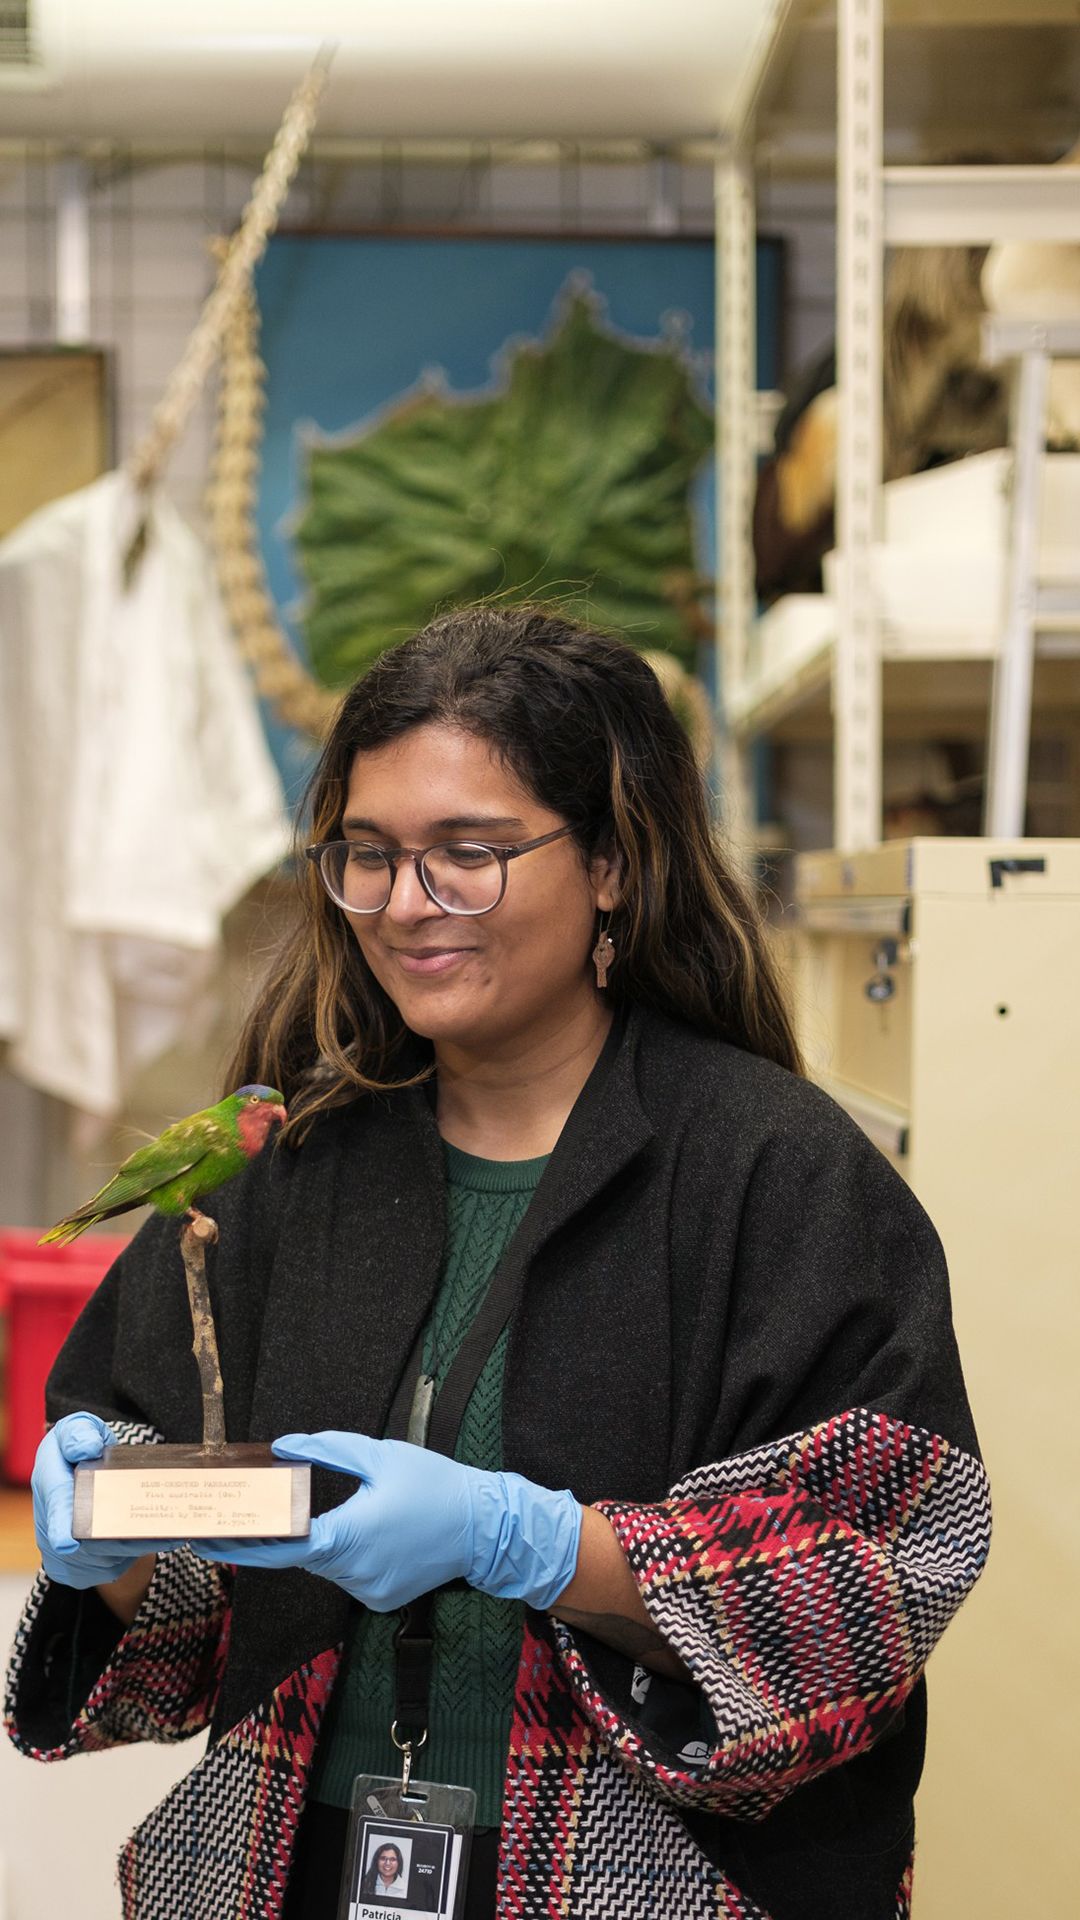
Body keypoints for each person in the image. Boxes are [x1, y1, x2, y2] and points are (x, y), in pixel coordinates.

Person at [7, 606, 990, 1920]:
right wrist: (105, 1542)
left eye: (468, 854)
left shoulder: (776, 1173)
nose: (408, 906)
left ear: (611, 867)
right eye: (369, 855)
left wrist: (536, 1544)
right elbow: (195, 1599)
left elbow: (881, 1573)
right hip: (297, 1865)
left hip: (639, 1881)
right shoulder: (289, 1170)